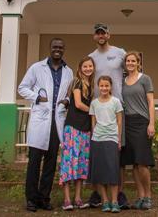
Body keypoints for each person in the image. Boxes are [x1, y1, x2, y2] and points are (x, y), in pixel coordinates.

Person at [18, 38, 74, 213]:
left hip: (57, 121)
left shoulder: (68, 71)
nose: (57, 49)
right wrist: (37, 97)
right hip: (40, 120)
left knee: (50, 163)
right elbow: (22, 88)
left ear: (64, 49)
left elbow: (70, 92)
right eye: (55, 46)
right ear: (50, 49)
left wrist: (67, 100)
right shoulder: (37, 68)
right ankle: (31, 200)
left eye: (60, 47)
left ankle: (44, 198)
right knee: (34, 163)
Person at [87, 23, 129, 208]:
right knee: (99, 155)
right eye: (97, 33)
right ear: (94, 37)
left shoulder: (120, 52)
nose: (100, 35)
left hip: (117, 107)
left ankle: (119, 194)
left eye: (103, 32)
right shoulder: (91, 57)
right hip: (98, 109)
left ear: (109, 35)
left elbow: (131, 72)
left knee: (117, 154)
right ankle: (98, 194)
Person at [59, 56, 95, 211]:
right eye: (85, 66)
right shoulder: (77, 82)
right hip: (73, 127)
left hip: (85, 129)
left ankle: (78, 198)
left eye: (90, 66)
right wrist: (96, 110)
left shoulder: (91, 85)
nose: (88, 69)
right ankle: (67, 199)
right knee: (69, 163)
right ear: (80, 68)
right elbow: (79, 104)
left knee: (81, 164)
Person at [120, 52, 155, 210]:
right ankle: (140, 197)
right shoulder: (122, 81)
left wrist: (151, 123)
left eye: (133, 61)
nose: (130, 63)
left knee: (142, 162)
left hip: (142, 122)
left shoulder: (145, 79)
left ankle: (148, 196)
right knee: (134, 163)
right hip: (127, 123)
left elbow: (151, 102)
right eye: (128, 61)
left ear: (138, 63)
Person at [89, 75, 124, 213]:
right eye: (101, 86)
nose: (104, 88)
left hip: (112, 139)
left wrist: (119, 139)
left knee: (113, 171)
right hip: (97, 139)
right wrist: (94, 137)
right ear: (98, 87)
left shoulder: (116, 102)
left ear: (111, 87)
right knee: (100, 171)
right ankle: (105, 201)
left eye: (106, 86)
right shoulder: (94, 103)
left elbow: (119, 122)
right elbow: (93, 122)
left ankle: (114, 201)